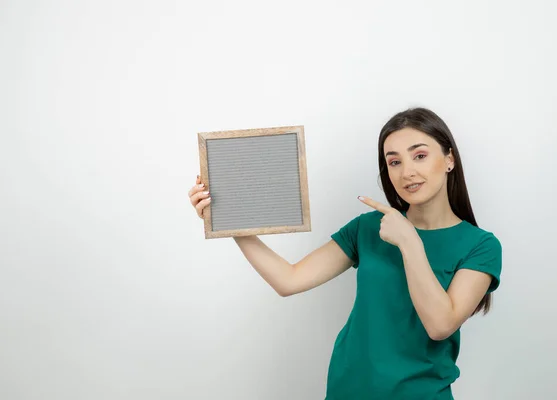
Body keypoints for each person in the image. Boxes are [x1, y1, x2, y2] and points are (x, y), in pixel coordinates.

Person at [188, 107, 502, 400]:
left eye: (419, 155)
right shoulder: (368, 228)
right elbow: (289, 280)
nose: (407, 172)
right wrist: (229, 222)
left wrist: (409, 241)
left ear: (449, 159)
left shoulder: (480, 246)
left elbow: (440, 324)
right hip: (348, 389)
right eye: (394, 162)